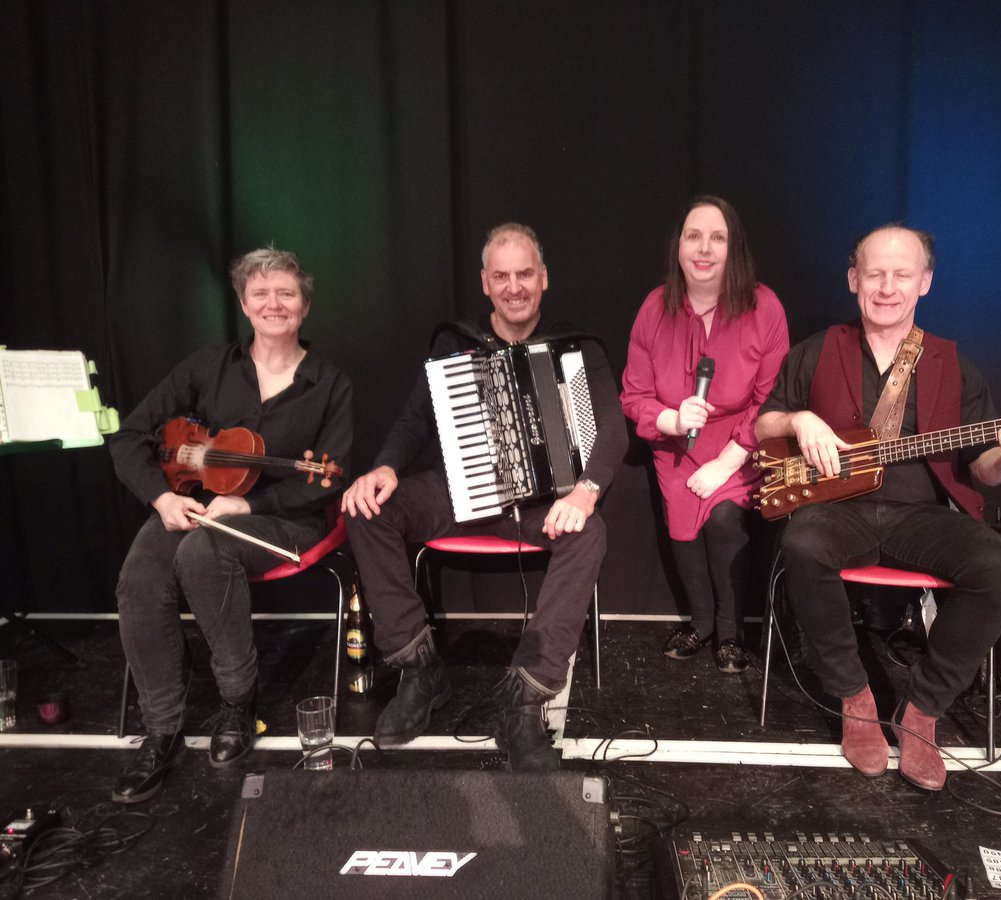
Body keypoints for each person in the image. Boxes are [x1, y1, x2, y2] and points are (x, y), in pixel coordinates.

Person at [754, 225, 1001, 790]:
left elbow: (981, 467)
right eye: (875, 274)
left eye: (902, 275)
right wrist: (799, 419)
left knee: (999, 566)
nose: (887, 288)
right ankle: (855, 699)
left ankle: (923, 711)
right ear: (853, 280)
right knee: (802, 542)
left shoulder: (953, 365)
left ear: (926, 283)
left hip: (923, 517)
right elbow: (765, 423)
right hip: (839, 512)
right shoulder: (817, 350)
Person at [341, 223, 626, 770]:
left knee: (590, 533)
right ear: (485, 282)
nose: (514, 286)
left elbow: (612, 429)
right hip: (464, 491)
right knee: (368, 508)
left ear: (544, 278)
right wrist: (383, 468)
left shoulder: (577, 347)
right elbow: (416, 420)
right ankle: (420, 670)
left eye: (525, 274)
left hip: (542, 502)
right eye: (502, 276)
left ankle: (524, 702)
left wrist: (586, 492)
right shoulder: (457, 341)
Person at [108, 247, 353, 803]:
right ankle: (161, 729)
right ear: (244, 303)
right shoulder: (207, 367)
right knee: (141, 578)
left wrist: (249, 506)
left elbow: (329, 479)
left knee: (203, 554)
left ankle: (239, 703)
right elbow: (128, 437)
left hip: (286, 520)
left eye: (286, 292)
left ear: (305, 305)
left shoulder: (329, 382)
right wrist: (162, 499)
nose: (274, 303)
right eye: (260, 293)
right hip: (192, 504)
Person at [621, 196, 789, 673]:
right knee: (682, 527)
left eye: (718, 238)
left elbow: (772, 397)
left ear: (733, 248)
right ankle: (702, 622)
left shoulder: (765, 307)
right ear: (678, 246)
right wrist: (671, 420)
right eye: (694, 236)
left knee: (721, 522)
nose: (704, 249)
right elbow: (633, 396)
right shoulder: (654, 309)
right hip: (676, 445)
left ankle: (731, 634)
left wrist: (728, 460)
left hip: (742, 443)